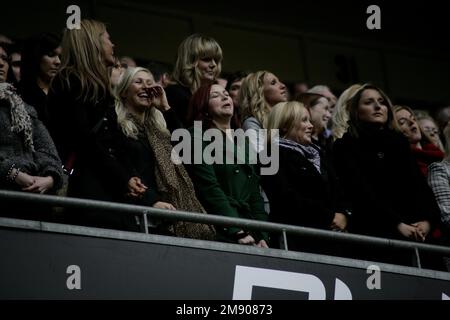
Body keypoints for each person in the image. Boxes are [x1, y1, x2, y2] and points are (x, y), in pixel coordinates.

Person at [47, 19, 138, 231]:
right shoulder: (69, 81)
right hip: (86, 188)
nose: (113, 45)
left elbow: (114, 138)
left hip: (110, 188)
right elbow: (85, 141)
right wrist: (122, 177)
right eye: (108, 38)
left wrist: (130, 175)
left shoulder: (100, 88)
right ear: (93, 43)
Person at [333, 84, 439, 258]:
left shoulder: (399, 143)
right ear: (356, 111)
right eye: (369, 102)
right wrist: (396, 224)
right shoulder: (345, 146)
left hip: (418, 237)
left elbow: (420, 187)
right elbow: (360, 192)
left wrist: (427, 221)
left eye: (381, 102)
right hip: (377, 239)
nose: (377, 106)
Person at [114, 66, 214, 239]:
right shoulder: (116, 125)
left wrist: (165, 107)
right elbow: (124, 169)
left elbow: (189, 153)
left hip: (166, 215)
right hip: (133, 213)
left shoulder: (159, 129)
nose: (146, 87)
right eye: (138, 82)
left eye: (149, 83)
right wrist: (151, 200)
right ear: (124, 92)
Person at [186, 83, 269, 247]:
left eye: (225, 93)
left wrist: (263, 235)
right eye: (215, 95)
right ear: (203, 107)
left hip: (250, 230)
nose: (225, 97)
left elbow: (254, 194)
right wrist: (236, 229)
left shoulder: (243, 141)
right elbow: (208, 187)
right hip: (218, 229)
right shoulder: (195, 136)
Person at [262, 101, 349, 252]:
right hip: (297, 240)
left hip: (331, 238)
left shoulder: (318, 153)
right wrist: (329, 217)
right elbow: (285, 197)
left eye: (309, 120)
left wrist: (342, 214)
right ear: (284, 124)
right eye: (304, 120)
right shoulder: (270, 155)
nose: (310, 126)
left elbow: (338, 188)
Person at [0, 42, 63, 220]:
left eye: (4, 59)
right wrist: (13, 173)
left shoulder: (22, 107)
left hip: (34, 201)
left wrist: (50, 178)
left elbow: (49, 152)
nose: (1, 63)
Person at [166, 34, 223, 127]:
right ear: (189, 61)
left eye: (216, 60)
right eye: (206, 59)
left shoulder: (212, 97)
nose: (214, 65)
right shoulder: (175, 94)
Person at [239, 70, 288, 153]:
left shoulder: (286, 119)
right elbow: (260, 158)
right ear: (259, 92)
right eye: (273, 83)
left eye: (279, 81)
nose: (283, 85)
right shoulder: (252, 123)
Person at [18, 33, 61, 125]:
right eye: (51, 54)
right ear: (35, 56)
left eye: (60, 56)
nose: (58, 61)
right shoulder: (19, 94)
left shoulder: (63, 90)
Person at [393, 105, 444, 176]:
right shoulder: (401, 164)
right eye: (402, 122)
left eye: (413, 118)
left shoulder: (439, 155)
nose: (411, 122)